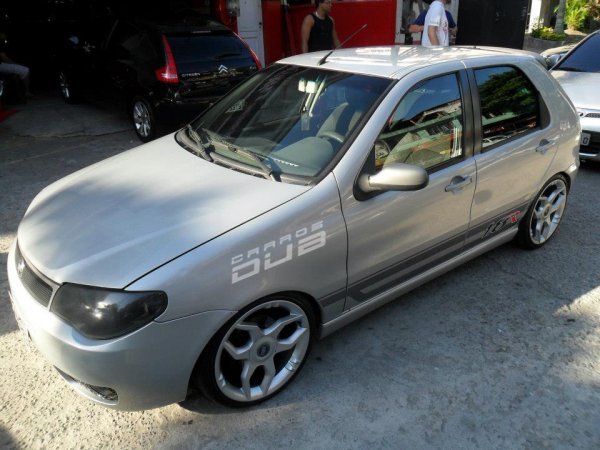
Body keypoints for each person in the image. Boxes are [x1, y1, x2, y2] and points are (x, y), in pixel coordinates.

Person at [0, 31, 32, 98]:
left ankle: (18, 94)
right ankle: (27, 92)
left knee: (15, 75)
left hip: (3, 64)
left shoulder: (5, 43)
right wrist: (16, 64)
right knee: (25, 70)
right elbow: (4, 58)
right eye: (3, 34)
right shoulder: (1, 43)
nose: (5, 35)